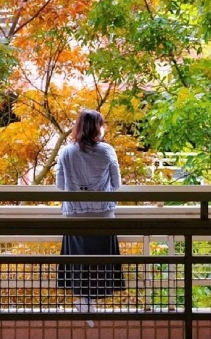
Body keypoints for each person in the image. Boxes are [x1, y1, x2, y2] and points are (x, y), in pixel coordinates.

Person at [55, 109, 125, 327]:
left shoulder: (66, 152)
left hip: (75, 215)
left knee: (79, 259)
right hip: (103, 214)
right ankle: (90, 302)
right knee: (100, 260)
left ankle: (85, 300)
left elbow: (59, 185)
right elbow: (117, 184)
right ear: (98, 127)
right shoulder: (107, 151)